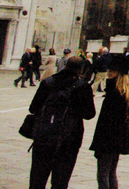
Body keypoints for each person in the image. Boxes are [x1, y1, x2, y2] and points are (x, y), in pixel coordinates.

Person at [28, 55, 96, 189]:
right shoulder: (83, 87)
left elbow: (33, 108)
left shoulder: (48, 82)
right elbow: (90, 114)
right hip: (69, 138)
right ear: (81, 69)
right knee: (61, 180)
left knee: (37, 178)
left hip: (44, 135)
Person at [90, 54, 129, 189]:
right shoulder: (123, 92)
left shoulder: (114, 94)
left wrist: (100, 144)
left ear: (118, 73)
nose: (108, 73)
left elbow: (106, 122)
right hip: (117, 140)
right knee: (111, 173)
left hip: (108, 140)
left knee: (102, 175)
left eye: (112, 71)